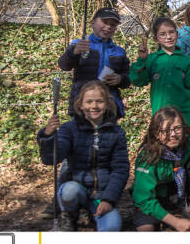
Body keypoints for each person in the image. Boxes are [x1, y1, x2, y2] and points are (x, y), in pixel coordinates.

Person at [37, 81, 128, 231]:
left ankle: (91, 214)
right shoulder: (69, 129)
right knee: (69, 191)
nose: (94, 106)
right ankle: (70, 214)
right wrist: (47, 136)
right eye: (89, 102)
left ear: (106, 104)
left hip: (101, 194)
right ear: (81, 105)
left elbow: (121, 170)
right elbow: (51, 159)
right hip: (76, 188)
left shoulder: (116, 133)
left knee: (112, 228)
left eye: (99, 101)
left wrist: (109, 199)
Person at [133, 107, 190, 231]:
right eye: (166, 130)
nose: (173, 134)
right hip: (154, 197)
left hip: (176, 188)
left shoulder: (189, 141)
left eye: (177, 128)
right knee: (146, 229)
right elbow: (142, 199)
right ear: (156, 133)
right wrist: (175, 222)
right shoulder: (148, 157)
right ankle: (164, 211)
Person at [129, 17, 190, 128]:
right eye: (163, 34)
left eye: (171, 32)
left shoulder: (186, 59)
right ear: (156, 39)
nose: (168, 37)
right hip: (161, 116)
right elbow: (138, 81)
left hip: (184, 116)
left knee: (185, 143)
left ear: (177, 34)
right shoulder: (152, 59)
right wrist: (141, 60)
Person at [58, 7, 130, 119]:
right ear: (92, 23)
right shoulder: (80, 44)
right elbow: (64, 65)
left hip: (110, 107)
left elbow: (128, 78)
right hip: (82, 106)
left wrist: (120, 79)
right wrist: (74, 52)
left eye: (113, 24)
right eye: (104, 22)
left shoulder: (120, 52)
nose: (108, 27)